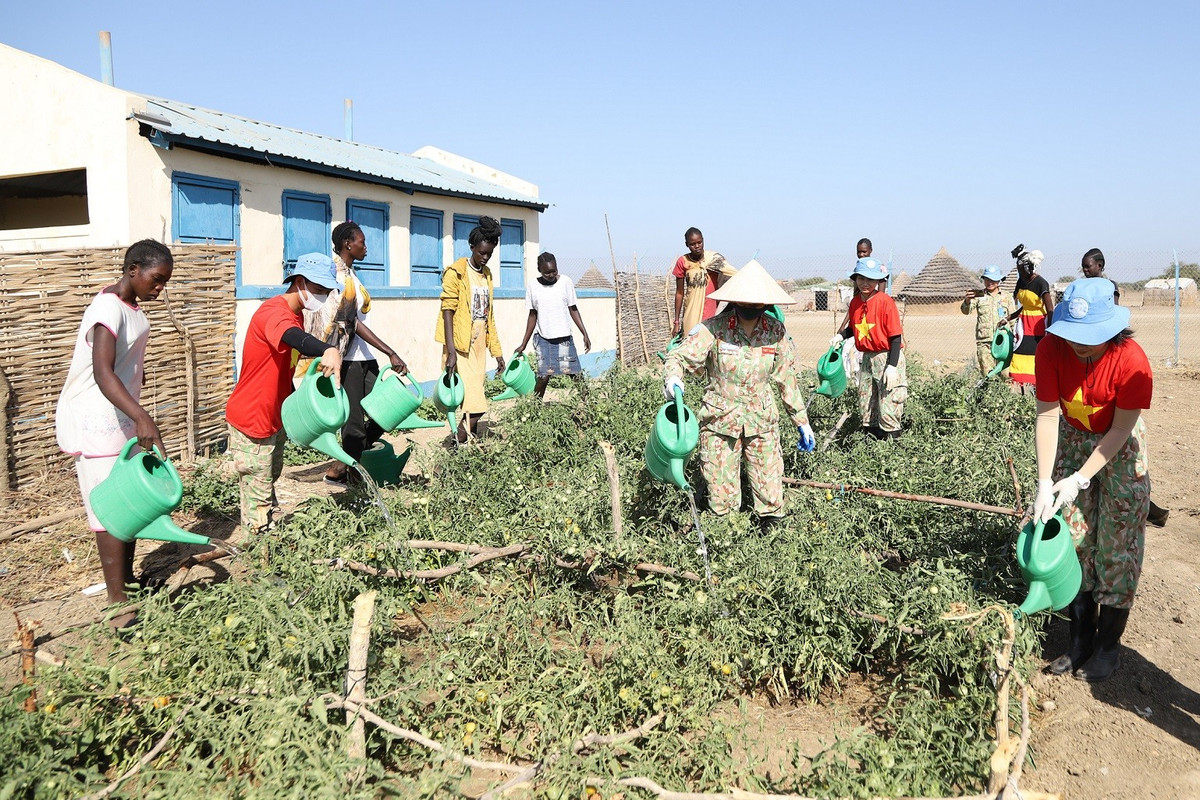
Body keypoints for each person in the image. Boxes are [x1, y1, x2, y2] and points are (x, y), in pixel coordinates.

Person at [1032, 277, 1152, 682]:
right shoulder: (1050, 349)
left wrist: (1081, 478)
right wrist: (1046, 482)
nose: (1080, 344)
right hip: (1072, 438)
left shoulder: (1132, 361)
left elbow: (1119, 431)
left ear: (1113, 329)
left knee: (1117, 542)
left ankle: (1108, 645)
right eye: (1072, 334)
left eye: (1091, 336)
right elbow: (1048, 414)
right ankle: (1080, 639)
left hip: (1119, 449)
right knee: (1076, 536)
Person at [56, 240, 175, 630]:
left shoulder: (132, 308)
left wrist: (136, 415)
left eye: (164, 282)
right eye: (156, 280)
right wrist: (143, 417)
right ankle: (117, 600)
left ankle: (127, 584)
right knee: (108, 506)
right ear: (133, 269)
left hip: (119, 413)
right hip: (95, 416)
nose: (160, 288)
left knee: (131, 497)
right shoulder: (106, 308)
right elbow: (103, 371)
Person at [664, 260, 814, 530]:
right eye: (746, 302)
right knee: (722, 501)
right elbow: (679, 356)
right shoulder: (713, 329)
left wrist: (801, 421)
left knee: (770, 494)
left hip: (762, 422)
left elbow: (787, 380)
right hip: (720, 423)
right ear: (733, 300)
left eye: (757, 305)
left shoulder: (775, 332)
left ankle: (770, 544)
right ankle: (728, 543)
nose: (751, 309)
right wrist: (674, 377)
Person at [226, 254, 343, 535]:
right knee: (258, 496)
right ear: (300, 282)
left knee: (268, 480)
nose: (324, 296)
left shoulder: (297, 314)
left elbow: (284, 363)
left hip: (273, 415)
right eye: (319, 289)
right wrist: (327, 349)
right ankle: (258, 559)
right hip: (253, 418)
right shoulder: (273, 312)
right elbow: (294, 338)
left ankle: (266, 528)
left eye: (327, 291)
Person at [313, 221, 409, 487]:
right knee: (354, 424)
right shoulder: (337, 277)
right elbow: (352, 323)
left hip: (364, 357)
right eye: (361, 242)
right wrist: (390, 352)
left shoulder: (351, 274)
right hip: (350, 361)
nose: (365, 247)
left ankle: (342, 463)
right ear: (348, 244)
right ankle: (352, 481)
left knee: (388, 409)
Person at [1079, 249, 1167, 527]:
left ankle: (1149, 510)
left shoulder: (1108, 291)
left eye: (1089, 267)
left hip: (1117, 416)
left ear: (1100, 266)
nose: (1085, 272)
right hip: (1091, 419)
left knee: (1122, 493)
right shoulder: (1084, 291)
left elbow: (1112, 325)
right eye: (1083, 268)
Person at [436, 216, 506, 442]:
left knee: (471, 399)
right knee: (477, 402)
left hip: (478, 346)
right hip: (460, 345)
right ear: (472, 247)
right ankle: (455, 442)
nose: (485, 258)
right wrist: (452, 351)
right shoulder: (456, 272)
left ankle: (466, 448)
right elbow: (447, 310)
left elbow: (490, 316)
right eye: (481, 253)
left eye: (489, 254)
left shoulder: (487, 275)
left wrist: (498, 353)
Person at [832, 258, 907, 439]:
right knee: (867, 405)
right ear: (856, 279)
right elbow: (855, 327)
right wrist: (841, 336)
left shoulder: (885, 301)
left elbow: (895, 336)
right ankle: (871, 449)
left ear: (877, 282)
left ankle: (893, 453)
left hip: (887, 356)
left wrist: (892, 366)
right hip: (867, 358)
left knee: (889, 404)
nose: (865, 283)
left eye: (870, 280)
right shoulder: (856, 303)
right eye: (861, 279)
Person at [514, 252, 592, 399]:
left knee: (575, 374)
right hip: (543, 339)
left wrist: (585, 333)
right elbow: (532, 315)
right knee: (543, 377)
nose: (551, 275)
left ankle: (590, 406)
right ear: (539, 270)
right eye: (547, 272)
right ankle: (534, 409)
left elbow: (573, 309)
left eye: (554, 271)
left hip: (564, 338)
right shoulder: (533, 286)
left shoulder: (566, 282)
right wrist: (523, 344)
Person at [670, 227, 737, 336]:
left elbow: (734, 274)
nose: (697, 246)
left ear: (703, 240)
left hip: (712, 311)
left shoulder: (714, 259)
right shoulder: (683, 262)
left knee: (711, 342)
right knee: (690, 342)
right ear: (687, 244)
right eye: (692, 244)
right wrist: (676, 322)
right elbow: (679, 293)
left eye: (699, 242)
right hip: (691, 311)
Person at [1005, 249, 1054, 390]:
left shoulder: (1041, 283)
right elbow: (1023, 307)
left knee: (1036, 357)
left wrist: (1049, 332)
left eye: (1021, 270)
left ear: (1028, 268)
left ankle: (1037, 392)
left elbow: (1050, 309)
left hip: (1038, 326)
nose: (1020, 273)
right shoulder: (1021, 281)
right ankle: (1022, 393)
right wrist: (1008, 318)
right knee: (1019, 354)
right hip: (1023, 325)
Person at [960, 264, 1009, 375]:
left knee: (1005, 376)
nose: (989, 282)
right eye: (987, 279)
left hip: (1003, 342)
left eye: (993, 279)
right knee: (988, 375)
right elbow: (965, 311)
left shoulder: (1006, 296)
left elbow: (1013, 319)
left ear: (999, 280)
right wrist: (967, 301)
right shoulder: (979, 296)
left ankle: (1006, 393)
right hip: (985, 343)